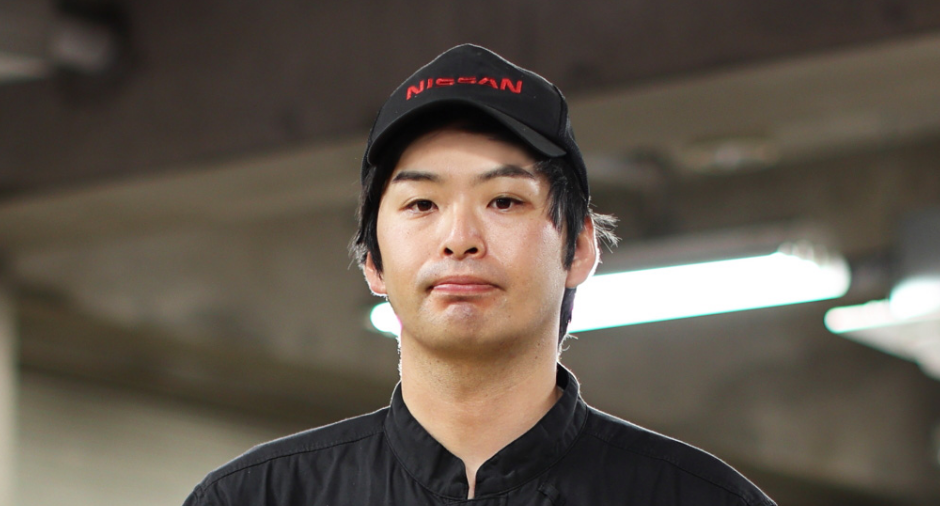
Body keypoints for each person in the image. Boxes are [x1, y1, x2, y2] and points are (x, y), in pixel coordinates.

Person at [183, 44, 776, 506]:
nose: (460, 237)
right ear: (373, 261)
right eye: (421, 204)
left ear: (578, 248)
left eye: (504, 201)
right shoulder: (255, 498)